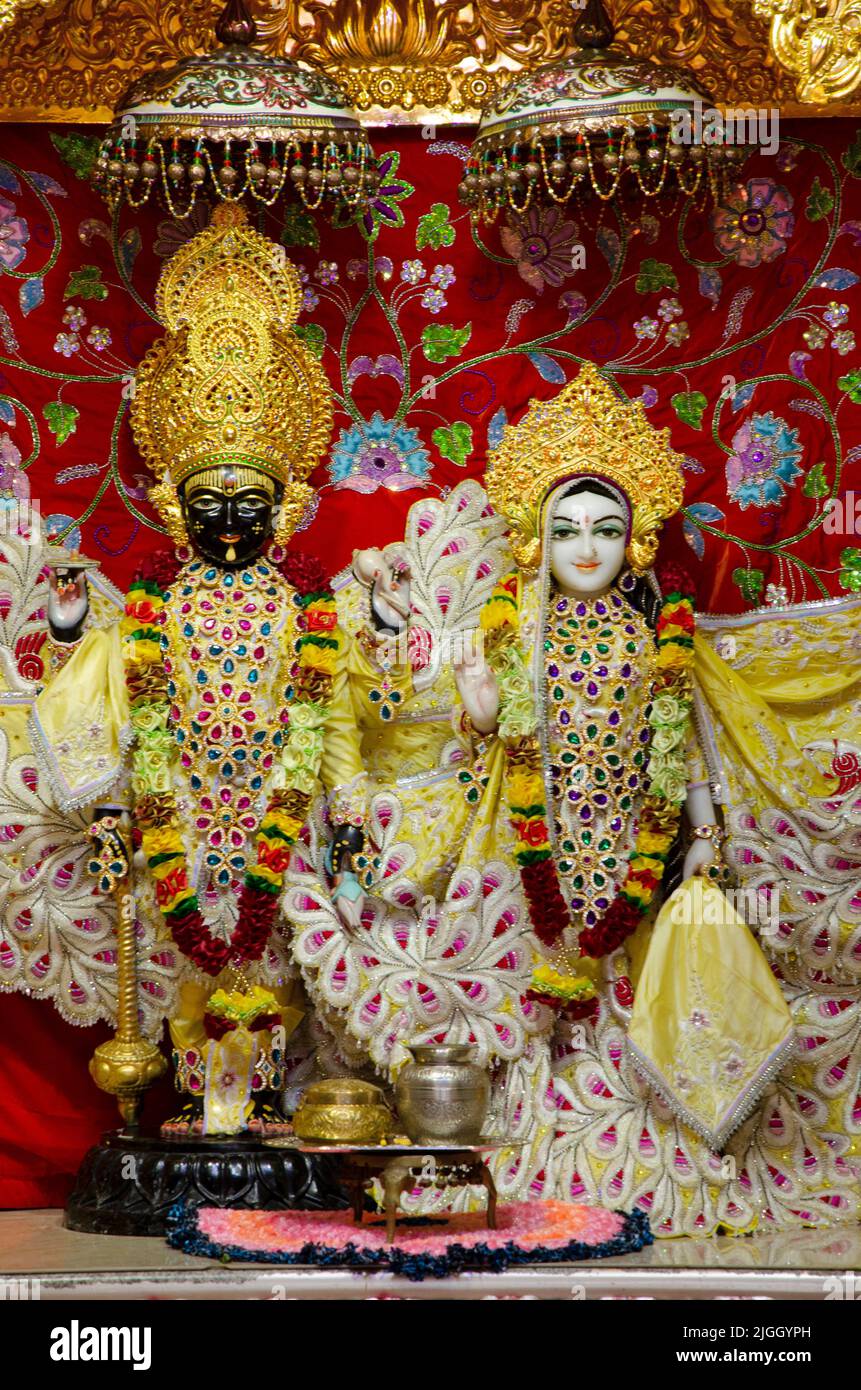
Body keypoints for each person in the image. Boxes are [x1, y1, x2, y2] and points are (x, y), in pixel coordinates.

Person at [28, 205, 368, 1136]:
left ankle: (258, 1109)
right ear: (177, 509)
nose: (227, 519)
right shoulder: (154, 609)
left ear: (285, 507)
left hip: (278, 808)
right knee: (186, 959)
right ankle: (202, 1113)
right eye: (207, 501)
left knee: (271, 962)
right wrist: (67, 643)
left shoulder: (307, 608)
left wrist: (344, 824)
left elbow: (334, 719)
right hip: (174, 805)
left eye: (246, 502)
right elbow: (101, 698)